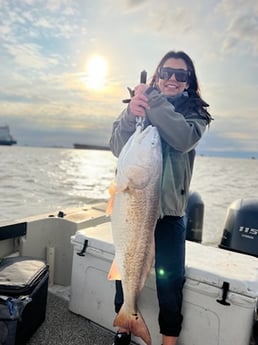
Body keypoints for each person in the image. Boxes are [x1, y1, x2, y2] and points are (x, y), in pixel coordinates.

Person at [109, 50, 212, 345]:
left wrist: (151, 100)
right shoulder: (138, 103)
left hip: (170, 215)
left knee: (170, 282)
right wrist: (132, 113)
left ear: (188, 82)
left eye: (181, 75)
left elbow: (181, 138)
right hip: (134, 209)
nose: (172, 79)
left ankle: (168, 340)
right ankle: (124, 326)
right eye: (167, 72)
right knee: (125, 269)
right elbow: (117, 145)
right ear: (157, 73)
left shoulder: (195, 113)